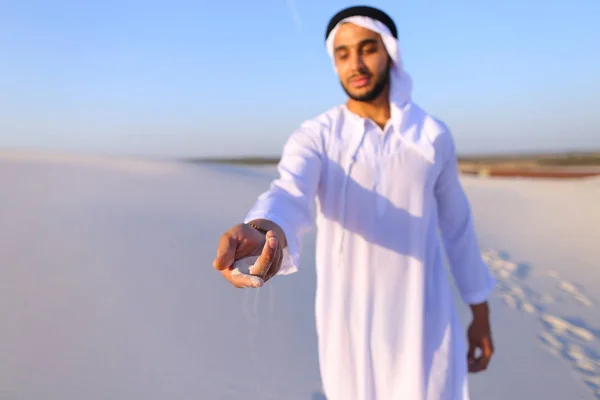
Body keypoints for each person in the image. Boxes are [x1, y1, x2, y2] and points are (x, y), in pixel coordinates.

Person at [212, 5, 496, 400]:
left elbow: (457, 227)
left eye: (367, 48)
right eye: (343, 54)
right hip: (350, 326)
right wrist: (265, 232)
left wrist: (480, 315)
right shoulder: (317, 136)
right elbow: (289, 192)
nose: (356, 64)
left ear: (390, 53)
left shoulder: (431, 137)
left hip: (426, 322)